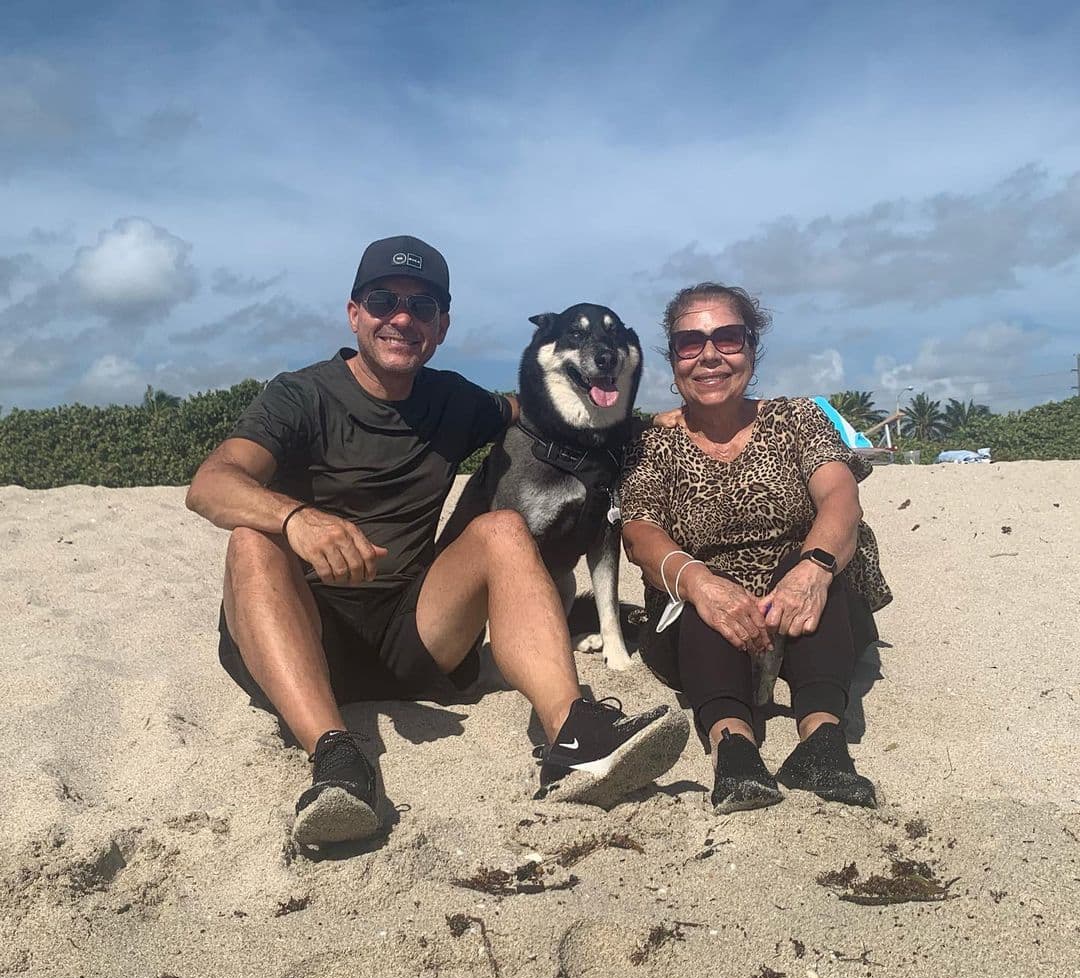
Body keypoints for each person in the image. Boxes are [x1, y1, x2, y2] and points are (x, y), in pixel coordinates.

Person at [186, 235, 687, 847]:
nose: (402, 318)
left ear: (442, 326)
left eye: (423, 308)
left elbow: (535, 408)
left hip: (410, 633)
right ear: (354, 313)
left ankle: (573, 734)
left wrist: (649, 420)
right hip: (297, 637)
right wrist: (295, 519)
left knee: (502, 527)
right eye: (384, 300)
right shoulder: (301, 395)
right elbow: (210, 484)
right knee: (251, 541)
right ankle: (336, 759)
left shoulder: (450, 399)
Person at [619, 282, 891, 814]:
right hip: (707, 623)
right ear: (673, 359)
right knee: (703, 589)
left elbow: (840, 495)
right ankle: (734, 747)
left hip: (811, 607)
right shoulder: (651, 444)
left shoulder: (796, 418)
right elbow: (640, 533)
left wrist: (811, 569)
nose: (710, 356)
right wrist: (700, 582)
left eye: (728, 337)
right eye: (690, 343)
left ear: (752, 347)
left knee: (814, 565)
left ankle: (821, 741)